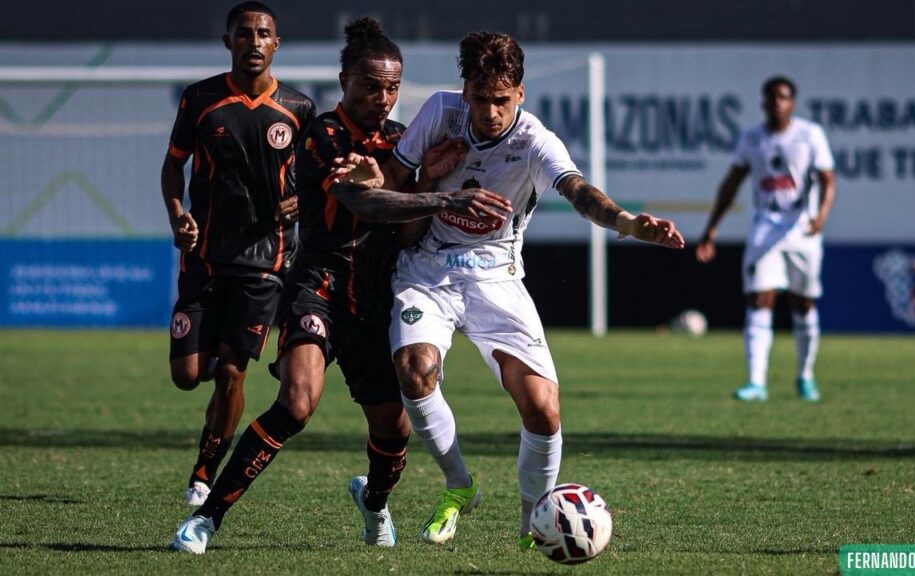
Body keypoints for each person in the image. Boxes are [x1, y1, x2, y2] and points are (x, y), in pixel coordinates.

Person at [169, 17, 510, 554]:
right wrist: (445, 196)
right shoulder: (323, 134)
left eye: (392, 88)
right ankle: (205, 520)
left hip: (378, 295)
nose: (383, 98)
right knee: (297, 402)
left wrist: (424, 178)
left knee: (393, 428)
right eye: (371, 86)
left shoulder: (402, 141)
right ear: (345, 81)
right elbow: (361, 201)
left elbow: (409, 231)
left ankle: (374, 502)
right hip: (319, 284)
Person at [372, 31, 685, 548]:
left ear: (520, 92)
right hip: (427, 270)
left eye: (502, 99)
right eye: (480, 98)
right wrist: (427, 178)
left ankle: (532, 520)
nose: (490, 111)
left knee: (542, 408)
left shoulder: (535, 140)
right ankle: (458, 485)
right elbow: (388, 185)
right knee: (414, 370)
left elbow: (579, 192)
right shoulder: (440, 112)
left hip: (496, 277)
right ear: (465, 91)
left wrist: (628, 223)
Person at [160, 0, 315, 510]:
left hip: (264, 263)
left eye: (263, 33)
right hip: (204, 256)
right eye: (244, 33)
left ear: (277, 43)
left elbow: (318, 178)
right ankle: (211, 361)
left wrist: (303, 199)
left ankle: (204, 471)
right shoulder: (200, 99)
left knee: (232, 372)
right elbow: (173, 166)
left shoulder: (298, 108)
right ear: (228, 41)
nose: (254, 41)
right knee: (187, 376)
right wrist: (178, 214)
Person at [695, 76, 836, 402]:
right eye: (772, 98)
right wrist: (711, 229)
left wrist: (821, 216)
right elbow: (731, 183)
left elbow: (828, 179)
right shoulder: (751, 138)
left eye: (783, 97)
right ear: (763, 103)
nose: (777, 103)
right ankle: (756, 382)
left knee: (803, 304)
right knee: (759, 299)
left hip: (802, 230)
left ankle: (805, 376)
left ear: (792, 103)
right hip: (765, 228)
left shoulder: (810, 135)